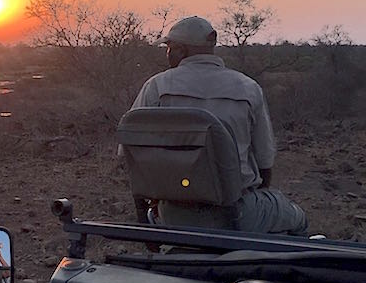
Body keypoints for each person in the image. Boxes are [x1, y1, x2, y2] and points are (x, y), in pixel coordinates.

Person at [125, 15, 308, 236]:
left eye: (169, 47)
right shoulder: (248, 88)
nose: (168, 53)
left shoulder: (156, 87)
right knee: (298, 218)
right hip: (237, 213)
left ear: (181, 51)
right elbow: (265, 163)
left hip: (173, 215)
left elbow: (129, 153)